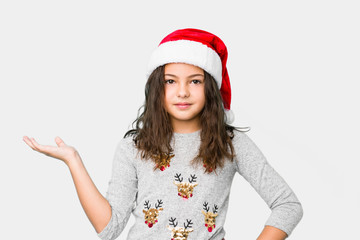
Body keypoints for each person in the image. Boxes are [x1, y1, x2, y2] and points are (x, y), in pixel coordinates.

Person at [23, 28, 303, 240]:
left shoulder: (231, 144)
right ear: (159, 87)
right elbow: (109, 228)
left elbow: (288, 205)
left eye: (195, 81)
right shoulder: (133, 146)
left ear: (210, 88)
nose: (182, 91)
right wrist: (73, 161)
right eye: (171, 81)